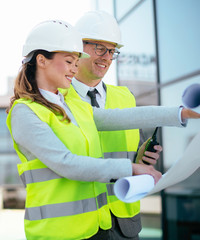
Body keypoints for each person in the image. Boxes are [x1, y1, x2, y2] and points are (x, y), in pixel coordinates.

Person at [6, 19, 200, 240]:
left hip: (92, 228)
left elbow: (121, 117)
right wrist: (132, 168)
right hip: (56, 233)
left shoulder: (72, 105)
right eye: (69, 61)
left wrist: (181, 113)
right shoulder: (25, 112)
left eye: (76, 62)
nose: (74, 68)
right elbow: (66, 163)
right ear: (42, 60)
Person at [69, 10, 159, 239]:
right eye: (100, 48)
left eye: (112, 51)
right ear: (78, 47)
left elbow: (124, 153)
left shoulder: (125, 97)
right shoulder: (56, 98)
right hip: (81, 223)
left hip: (125, 222)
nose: (107, 57)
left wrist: (140, 160)